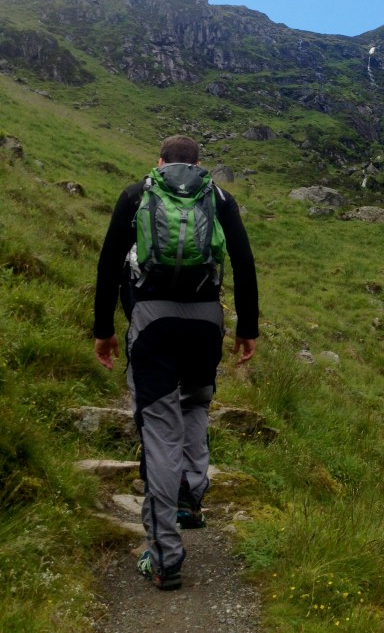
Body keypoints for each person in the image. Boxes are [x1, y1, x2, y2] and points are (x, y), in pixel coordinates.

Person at [93, 135, 259, 591]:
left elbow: (109, 263)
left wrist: (103, 328)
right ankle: (190, 497)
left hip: (152, 323)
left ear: (160, 161)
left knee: (160, 430)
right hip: (205, 325)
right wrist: (247, 327)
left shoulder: (136, 194)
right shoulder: (219, 198)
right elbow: (244, 263)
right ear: (199, 164)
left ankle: (165, 557)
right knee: (197, 404)